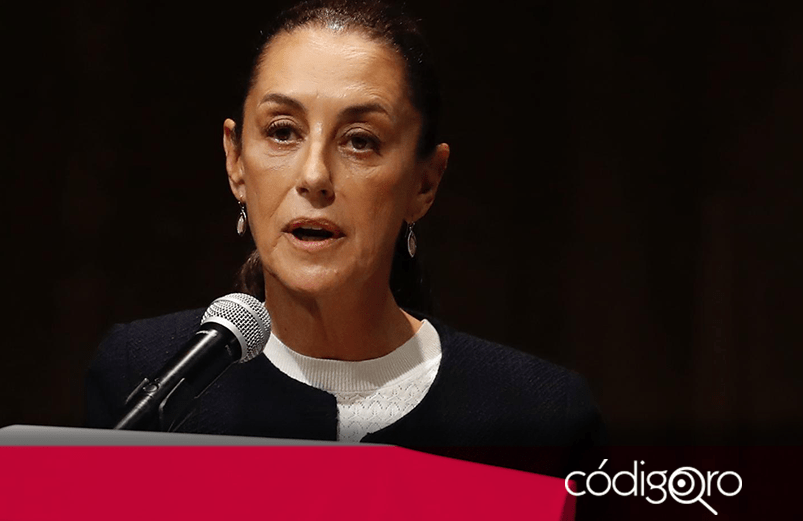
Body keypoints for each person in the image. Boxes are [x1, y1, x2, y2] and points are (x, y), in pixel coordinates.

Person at [86, 0, 604, 477]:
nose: (314, 175)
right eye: (282, 131)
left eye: (360, 141)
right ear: (236, 160)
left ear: (425, 183)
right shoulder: (143, 373)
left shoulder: (540, 417)